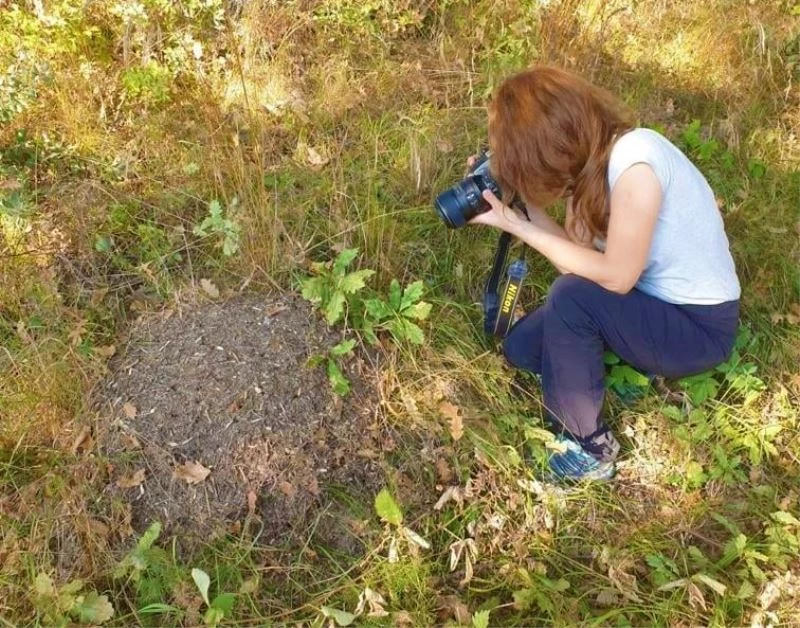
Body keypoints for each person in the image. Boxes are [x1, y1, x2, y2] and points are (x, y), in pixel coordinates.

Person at [469, 66, 741, 481]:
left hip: (698, 328)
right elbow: (576, 263)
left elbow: (615, 277)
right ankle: (610, 373)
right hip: (649, 306)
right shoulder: (589, 173)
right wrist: (521, 204)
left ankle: (589, 448)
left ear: (551, 144)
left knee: (569, 298)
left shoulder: (635, 160)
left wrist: (517, 227)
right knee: (521, 349)